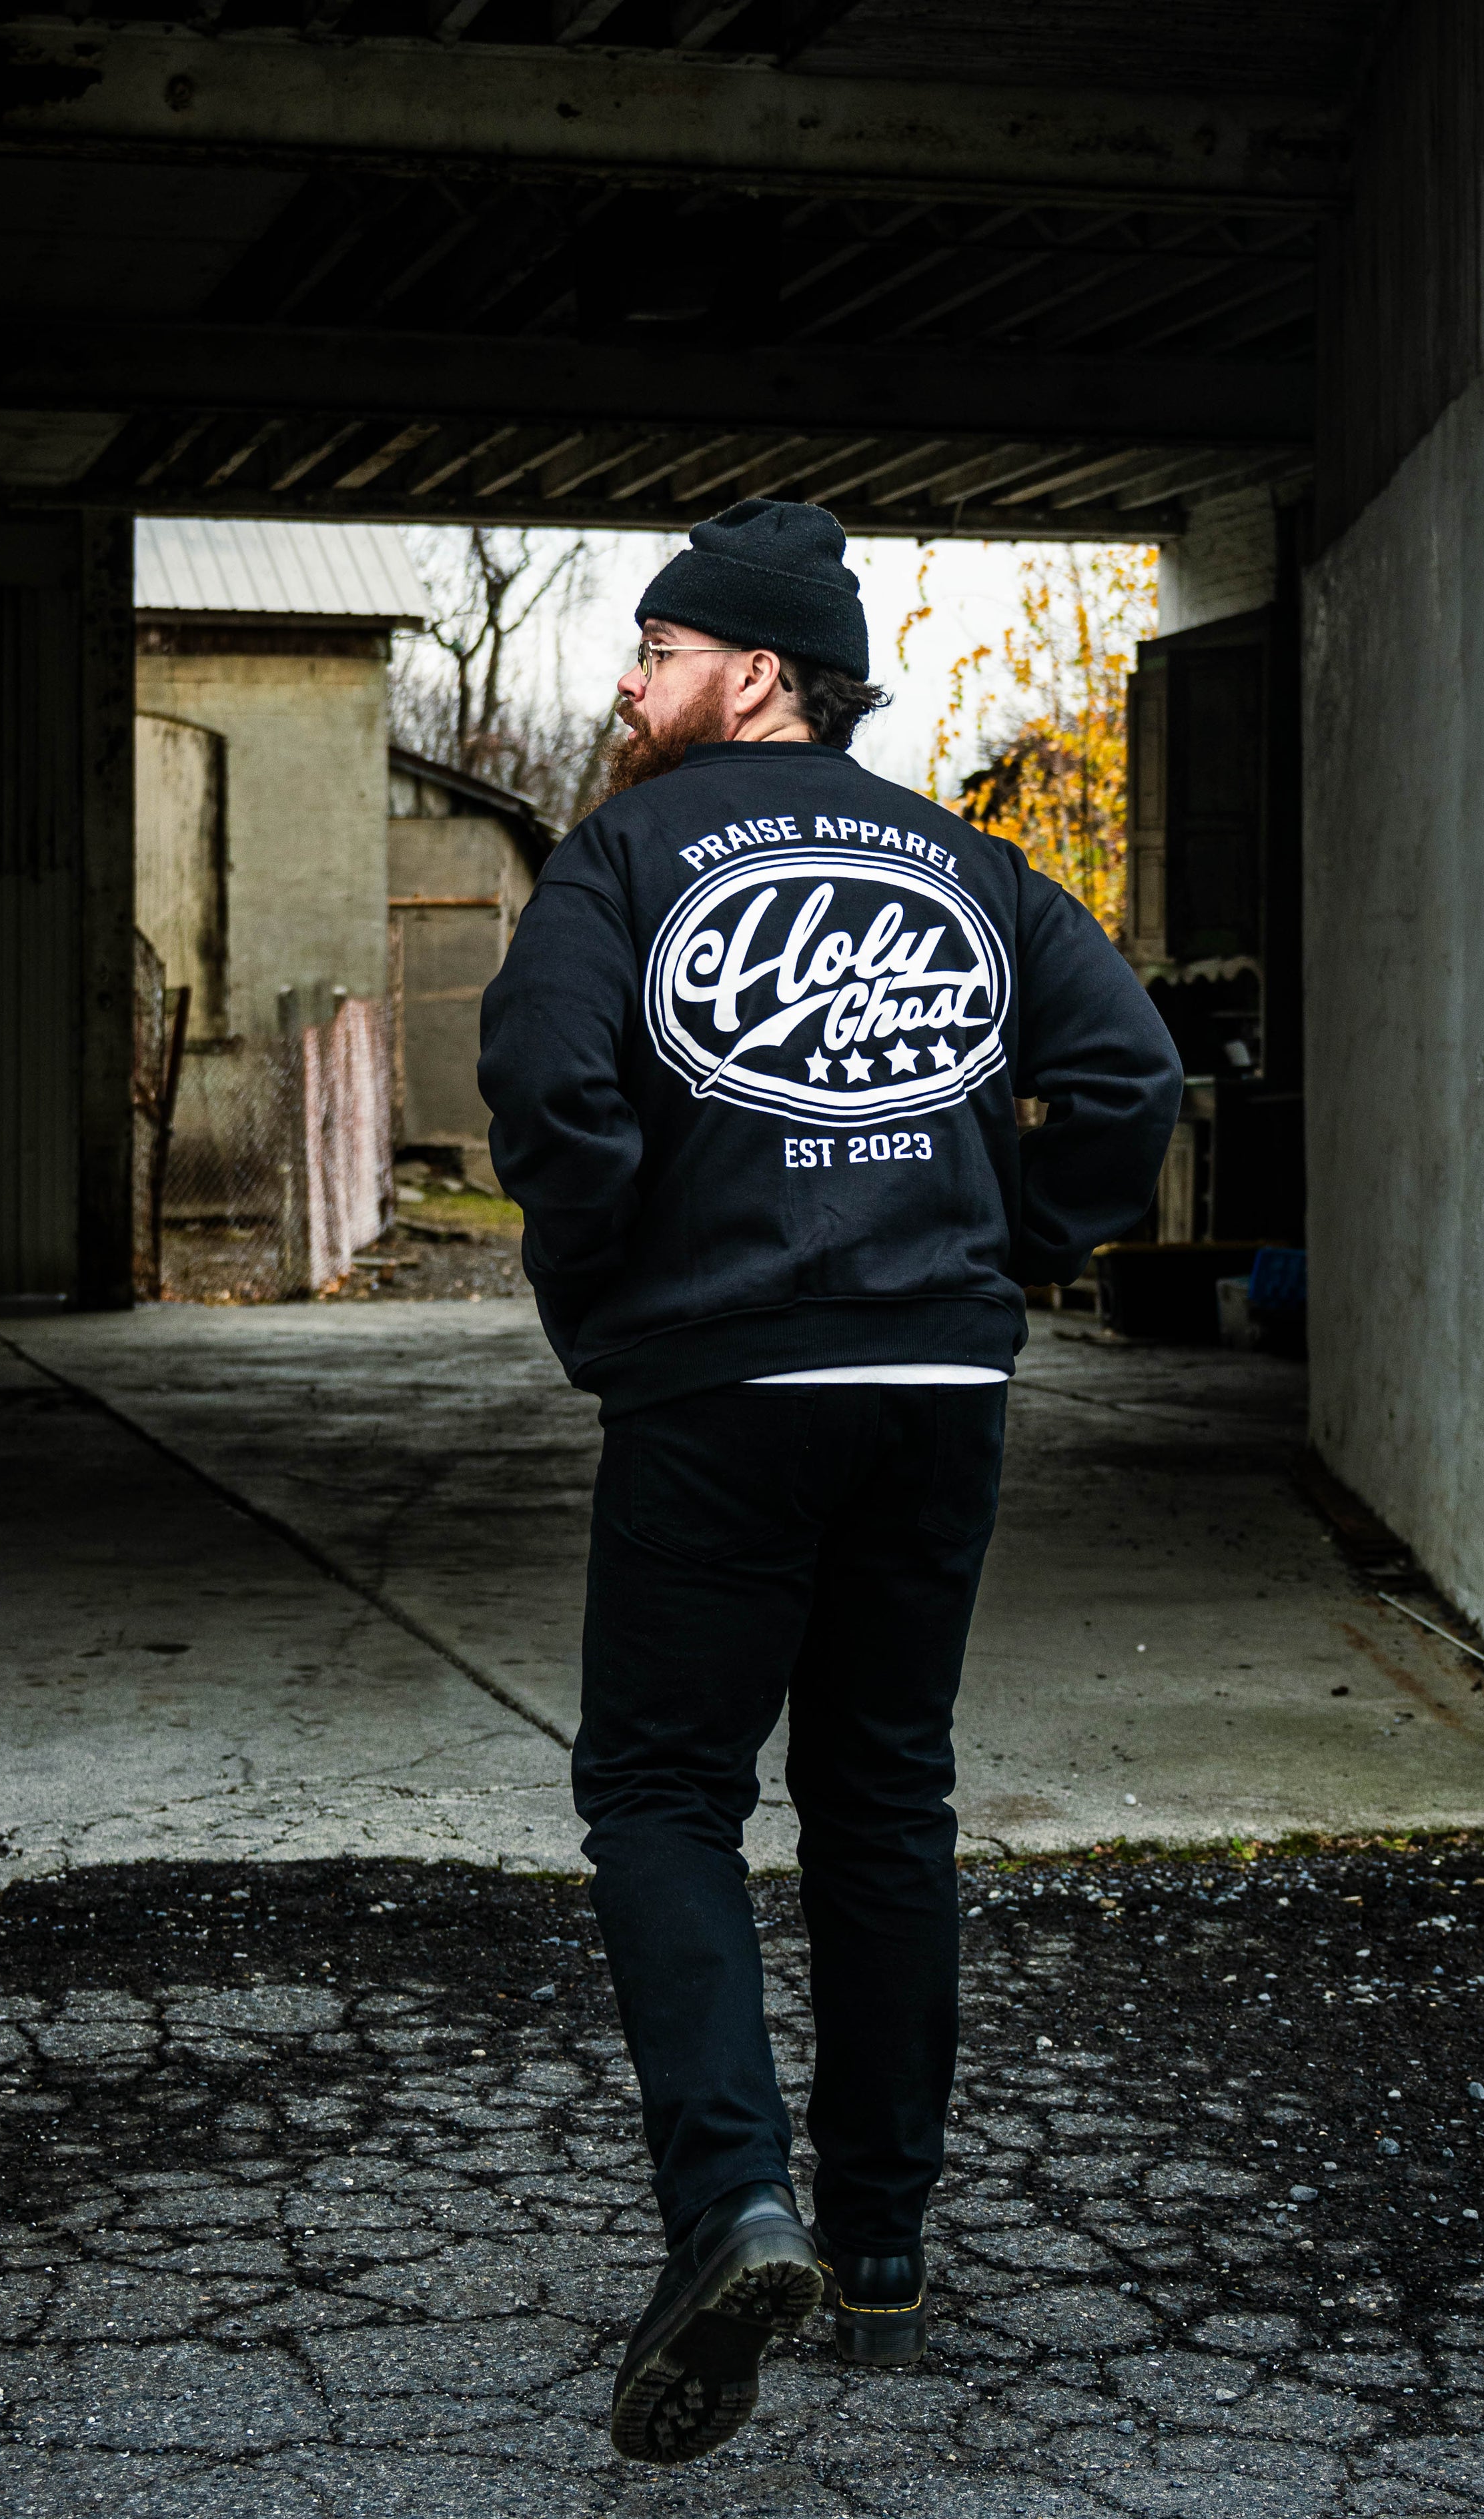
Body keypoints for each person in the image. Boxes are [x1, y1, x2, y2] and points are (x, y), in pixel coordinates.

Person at [479, 498, 1181, 2464]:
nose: (631, 687)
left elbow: (549, 1088)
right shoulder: (971, 865)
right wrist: (1003, 1250)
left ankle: (736, 2208)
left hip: (725, 1382)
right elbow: (1130, 1077)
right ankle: (879, 2248)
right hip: (932, 1385)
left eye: (659, 653)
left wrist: (619, 1290)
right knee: (883, 1794)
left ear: (757, 672)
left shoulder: (621, 858)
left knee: (661, 1791)